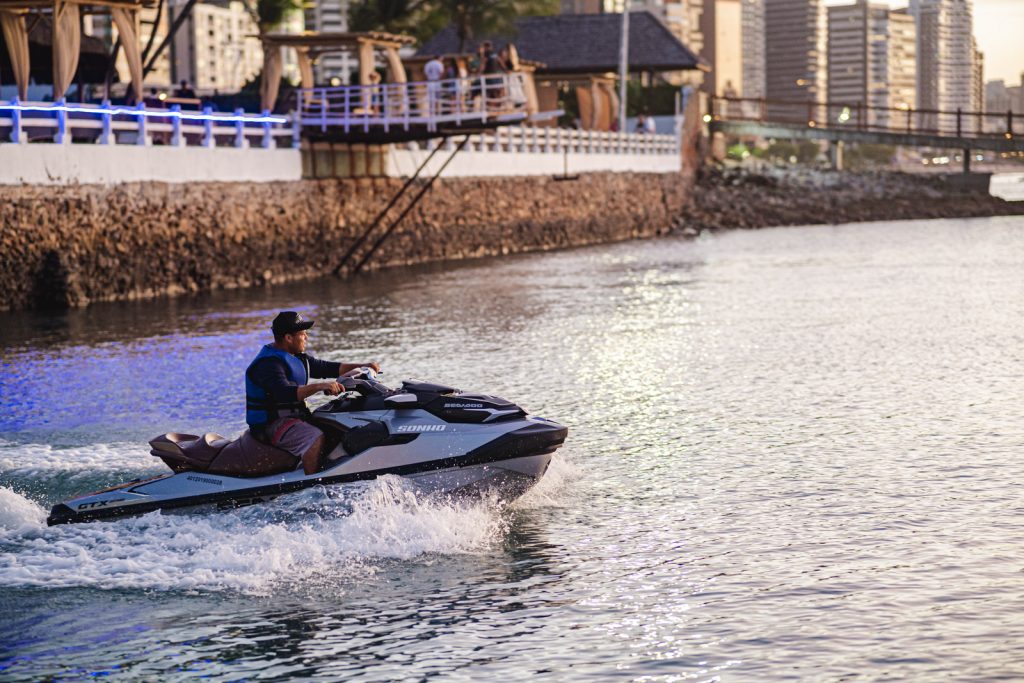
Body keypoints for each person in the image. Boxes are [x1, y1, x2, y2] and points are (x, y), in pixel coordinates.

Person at [245, 311, 381, 475]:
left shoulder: (295, 356)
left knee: (336, 426)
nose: (306, 338)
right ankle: (313, 483)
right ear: (288, 338)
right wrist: (320, 386)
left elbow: (327, 367)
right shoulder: (269, 364)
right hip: (272, 425)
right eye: (303, 334)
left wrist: (364, 366)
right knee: (313, 438)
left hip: (294, 418)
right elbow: (284, 393)